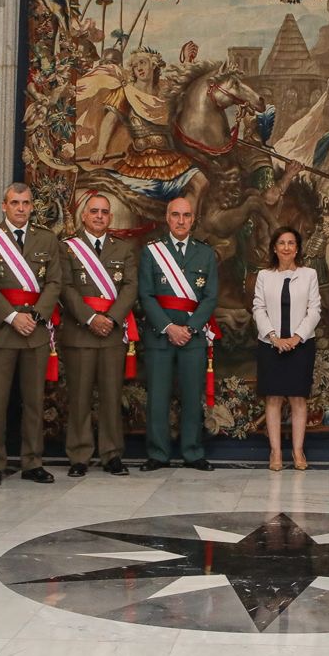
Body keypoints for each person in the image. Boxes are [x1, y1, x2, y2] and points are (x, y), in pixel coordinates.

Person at [0, 182, 62, 484]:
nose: (20, 208)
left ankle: (32, 461)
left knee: (34, 400)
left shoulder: (46, 239)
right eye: (14, 203)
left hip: (35, 331)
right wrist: (13, 316)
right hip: (3, 329)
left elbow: (54, 282)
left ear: (32, 207)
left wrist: (36, 315)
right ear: (4, 206)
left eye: (25, 203)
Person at [58, 193, 139, 477]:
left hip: (112, 334)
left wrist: (112, 319)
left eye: (104, 212)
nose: (99, 216)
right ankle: (79, 455)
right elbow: (65, 288)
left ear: (110, 217)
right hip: (80, 331)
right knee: (79, 396)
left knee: (111, 395)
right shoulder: (67, 249)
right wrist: (91, 318)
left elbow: (130, 287)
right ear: (83, 215)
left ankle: (111, 454)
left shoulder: (123, 248)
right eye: (94, 211)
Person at [139, 195, 220, 470]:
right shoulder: (152, 252)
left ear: (193, 219)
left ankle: (193, 451)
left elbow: (210, 297)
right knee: (158, 397)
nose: (181, 221)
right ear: (167, 218)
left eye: (186, 215)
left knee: (191, 395)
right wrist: (169, 327)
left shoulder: (206, 253)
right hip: (160, 335)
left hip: (192, 337)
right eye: (175, 215)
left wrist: (190, 328)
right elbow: (146, 295)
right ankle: (158, 454)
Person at [252, 227, 322, 471]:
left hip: (300, 345)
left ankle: (298, 451)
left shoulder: (309, 274)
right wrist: (274, 337)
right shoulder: (264, 276)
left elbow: (314, 310)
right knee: (273, 398)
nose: (286, 247)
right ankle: (275, 453)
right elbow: (258, 308)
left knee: (297, 398)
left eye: (291, 243)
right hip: (270, 345)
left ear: (298, 248)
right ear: (274, 247)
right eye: (281, 243)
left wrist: (296, 337)